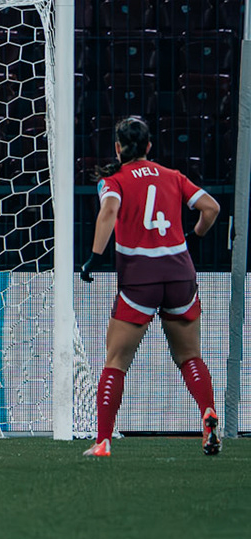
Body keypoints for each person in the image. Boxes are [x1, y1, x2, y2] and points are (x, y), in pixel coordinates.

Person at [77, 116, 221, 458]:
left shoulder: (115, 181)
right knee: (189, 357)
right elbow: (211, 208)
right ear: (149, 146)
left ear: (118, 147)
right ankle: (208, 413)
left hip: (140, 278)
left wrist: (94, 257)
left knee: (116, 361)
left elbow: (109, 212)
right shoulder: (173, 176)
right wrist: (195, 236)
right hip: (180, 274)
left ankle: (103, 441)